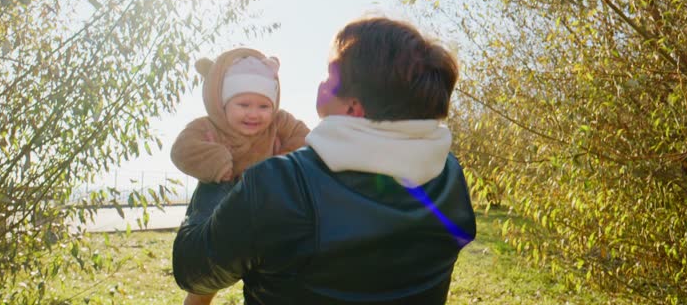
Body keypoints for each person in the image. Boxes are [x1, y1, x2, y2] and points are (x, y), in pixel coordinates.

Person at [173, 17, 476, 304]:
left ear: (353, 108)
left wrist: (217, 173)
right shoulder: (449, 177)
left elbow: (194, 270)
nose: (320, 84)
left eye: (330, 75)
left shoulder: (282, 184)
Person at [170, 47, 310, 305]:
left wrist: (284, 162)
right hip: (218, 195)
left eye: (263, 106)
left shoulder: (280, 123)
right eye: (243, 104)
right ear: (223, 103)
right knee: (206, 273)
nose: (254, 113)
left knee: (266, 265)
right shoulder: (208, 125)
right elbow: (181, 150)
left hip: (262, 202)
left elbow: (305, 140)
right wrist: (214, 161)